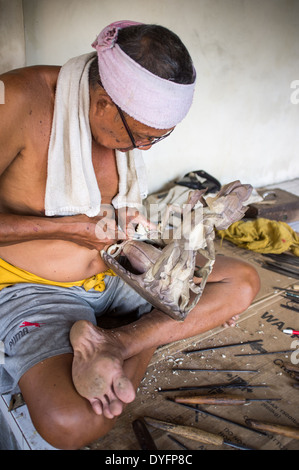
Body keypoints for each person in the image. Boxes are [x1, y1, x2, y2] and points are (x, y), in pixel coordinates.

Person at [0, 21, 260, 450]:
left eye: (158, 139)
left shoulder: (117, 124)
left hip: (118, 270)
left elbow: (119, 206)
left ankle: (116, 342)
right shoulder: (17, 99)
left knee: (241, 282)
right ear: (103, 101)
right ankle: (156, 329)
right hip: (33, 286)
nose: (142, 149)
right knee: (69, 424)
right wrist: (66, 229)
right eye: (140, 136)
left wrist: (174, 226)